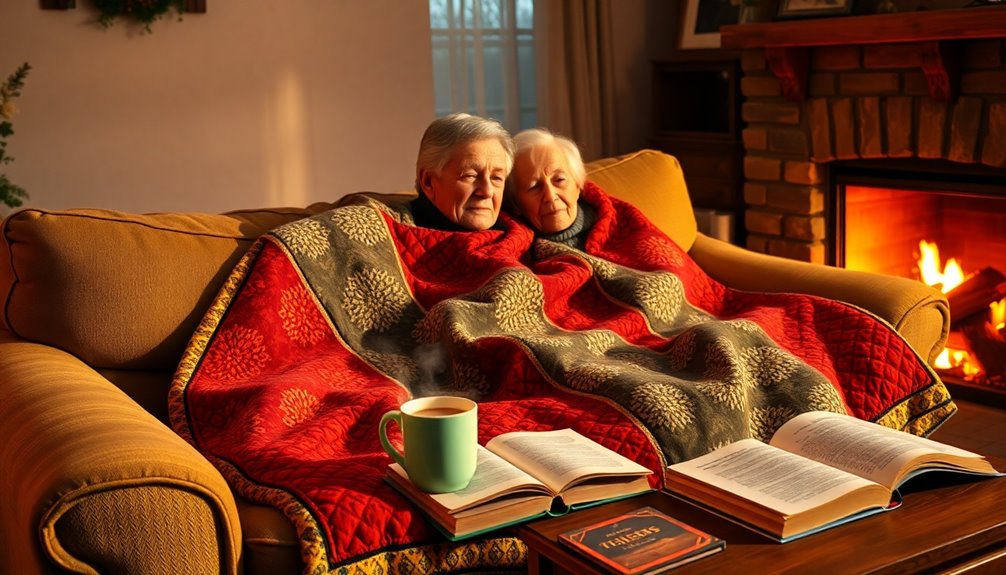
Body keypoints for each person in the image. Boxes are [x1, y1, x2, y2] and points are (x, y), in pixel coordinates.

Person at [413, 113, 515, 231]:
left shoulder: (527, 239)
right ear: (428, 181)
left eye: (496, 178)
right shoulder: (392, 242)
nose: (487, 192)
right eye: (470, 176)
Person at [507, 128, 595, 248]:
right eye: (534, 187)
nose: (550, 196)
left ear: (578, 185)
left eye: (559, 180)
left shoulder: (617, 225)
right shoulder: (511, 249)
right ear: (516, 203)